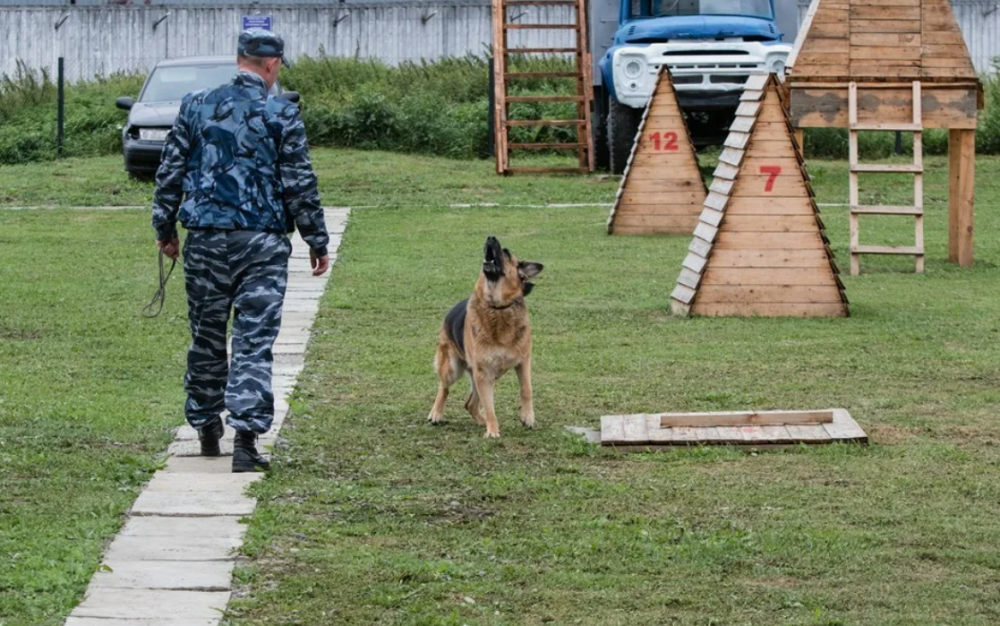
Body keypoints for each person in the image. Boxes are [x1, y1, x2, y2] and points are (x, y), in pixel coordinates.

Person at [151, 29, 330, 472]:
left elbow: (170, 170)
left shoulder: (196, 104)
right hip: (262, 244)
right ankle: (246, 442)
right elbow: (299, 182)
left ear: (240, 59)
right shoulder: (281, 111)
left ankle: (207, 428)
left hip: (206, 241)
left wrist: (165, 227)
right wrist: (315, 238)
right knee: (253, 339)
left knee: (207, 336)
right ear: (272, 64)